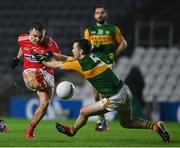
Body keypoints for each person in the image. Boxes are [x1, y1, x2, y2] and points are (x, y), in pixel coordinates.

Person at [33, 39, 170, 143]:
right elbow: (68, 58)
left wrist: (42, 60)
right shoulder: (91, 57)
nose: (72, 50)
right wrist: (50, 54)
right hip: (125, 90)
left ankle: (72, 130)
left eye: (74, 48)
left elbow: (56, 64)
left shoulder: (80, 63)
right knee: (126, 123)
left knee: (83, 112)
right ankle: (155, 126)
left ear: (81, 52)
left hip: (115, 97)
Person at [10, 22, 65, 140]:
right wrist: (17, 58)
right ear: (29, 33)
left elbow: (59, 61)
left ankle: (30, 129)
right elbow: (22, 47)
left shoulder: (51, 44)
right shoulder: (22, 38)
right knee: (32, 76)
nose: (37, 39)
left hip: (47, 72)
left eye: (40, 36)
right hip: (30, 70)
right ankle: (39, 81)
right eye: (34, 36)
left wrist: (51, 59)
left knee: (45, 104)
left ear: (44, 35)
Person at [84, 5, 127, 131]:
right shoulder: (89, 30)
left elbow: (123, 43)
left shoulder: (113, 29)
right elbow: (85, 48)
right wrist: (92, 47)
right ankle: (101, 119)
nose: (100, 15)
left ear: (106, 14)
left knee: (103, 92)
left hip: (107, 63)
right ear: (94, 15)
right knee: (96, 94)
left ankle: (102, 122)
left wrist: (115, 54)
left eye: (102, 12)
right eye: (97, 13)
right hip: (93, 64)